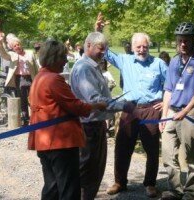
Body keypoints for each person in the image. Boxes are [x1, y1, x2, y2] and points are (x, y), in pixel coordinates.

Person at [95, 13, 167, 198]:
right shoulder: (125, 60)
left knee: (151, 149)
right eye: (138, 46)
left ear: (149, 46)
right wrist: (99, 30)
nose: (142, 50)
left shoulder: (158, 63)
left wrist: (165, 102)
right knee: (122, 146)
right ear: (133, 47)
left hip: (151, 110)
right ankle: (120, 182)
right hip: (129, 109)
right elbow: (104, 51)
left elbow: (171, 86)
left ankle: (150, 183)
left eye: (145, 46)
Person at [28, 40, 107, 200]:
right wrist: (97, 105)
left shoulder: (39, 77)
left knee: (52, 186)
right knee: (68, 188)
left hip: (44, 141)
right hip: (59, 142)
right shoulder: (53, 79)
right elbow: (76, 106)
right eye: (63, 57)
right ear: (53, 58)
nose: (65, 61)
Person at [70, 32, 133, 200]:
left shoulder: (91, 66)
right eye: (100, 48)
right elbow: (95, 100)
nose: (103, 53)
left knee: (94, 170)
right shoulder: (84, 68)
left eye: (105, 49)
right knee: (88, 171)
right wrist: (123, 105)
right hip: (88, 127)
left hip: (94, 125)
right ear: (88, 45)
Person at [159, 22, 194, 200]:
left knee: (191, 156)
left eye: (186, 40)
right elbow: (168, 90)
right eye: (180, 40)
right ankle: (175, 190)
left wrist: (186, 111)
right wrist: (164, 116)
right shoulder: (173, 61)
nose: (182, 44)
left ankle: (190, 192)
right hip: (172, 112)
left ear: (193, 40)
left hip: (190, 113)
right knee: (167, 153)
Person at [0, 19, 38, 126]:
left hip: (31, 78)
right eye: (14, 46)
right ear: (13, 48)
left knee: (34, 99)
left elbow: (36, 67)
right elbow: (3, 52)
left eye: (18, 44)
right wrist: (0, 40)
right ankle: (25, 119)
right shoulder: (13, 55)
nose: (17, 47)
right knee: (23, 100)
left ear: (21, 44)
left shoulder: (30, 53)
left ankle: (36, 118)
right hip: (20, 79)